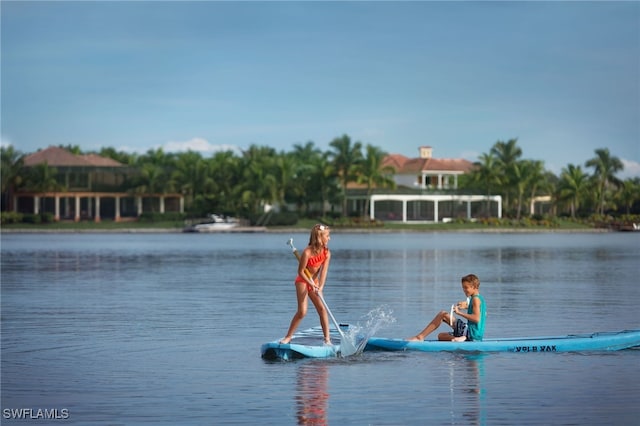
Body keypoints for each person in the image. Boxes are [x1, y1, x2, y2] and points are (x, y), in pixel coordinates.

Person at [280, 224, 332, 345]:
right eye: (327, 236)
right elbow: (301, 271)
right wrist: (310, 283)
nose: (329, 238)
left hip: (316, 282)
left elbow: (324, 272)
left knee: (322, 309)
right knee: (302, 312)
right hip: (303, 281)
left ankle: (327, 340)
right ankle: (288, 337)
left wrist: (321, 286)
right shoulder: (307, 252)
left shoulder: (327, 253)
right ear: (320, 237)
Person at [406, 274, 486, 342]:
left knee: (443, 314)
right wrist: (466, 306)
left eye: (466, 287)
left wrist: (459, 313)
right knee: (441, 336)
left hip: (471, 333)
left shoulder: (475, 299)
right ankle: (458, 339)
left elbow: (476, 318)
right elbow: (480, 312)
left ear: (474, 287)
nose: (464, 290)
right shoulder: (479, 298)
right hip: (476, 335)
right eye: (463, 288)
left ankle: (420, 337)